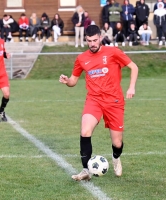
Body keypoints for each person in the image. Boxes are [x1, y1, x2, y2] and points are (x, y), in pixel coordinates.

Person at [59, 25, 138, 181]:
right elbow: (74, 80)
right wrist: (67, 81)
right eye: (89, 41)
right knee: (85, 131)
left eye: (95, 40)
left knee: (117, 142)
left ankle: (116, 158)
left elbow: (133, 67)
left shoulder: (113, 52)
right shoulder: (81, 58)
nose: (92, 44)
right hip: (94, 100)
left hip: (114, 101)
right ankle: (85, 170)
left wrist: (131, 87)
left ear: (100, 38)